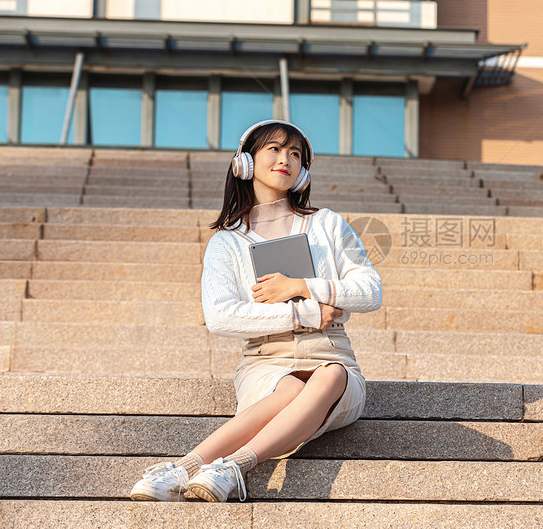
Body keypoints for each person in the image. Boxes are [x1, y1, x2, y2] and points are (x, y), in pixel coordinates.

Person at [130, 119, 383, 502]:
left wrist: (300, 287)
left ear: (303, 171)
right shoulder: (227, 243)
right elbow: (220, 316)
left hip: (333, 357)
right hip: (264, 363)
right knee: (290, 387)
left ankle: (232, 467)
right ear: (245, 164)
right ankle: (184, 470)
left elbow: (371, 290)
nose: (286, 159)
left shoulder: (328, 225)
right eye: (275, 149)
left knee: (329, 374)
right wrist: (304, 314)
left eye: (295, 154)